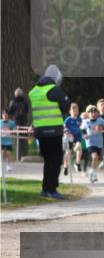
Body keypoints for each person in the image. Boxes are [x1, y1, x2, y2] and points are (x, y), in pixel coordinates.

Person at [28, 65, 70, 199]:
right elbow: (66, 106)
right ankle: (51, 189)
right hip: (53, 131)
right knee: (56, 160)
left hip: (40, 131)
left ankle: (45, 189)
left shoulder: (34, 91)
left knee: (48, 160)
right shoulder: (53, 90)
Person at [80, 104, 104, 183]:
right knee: (94, 157)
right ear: (88, 114)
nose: (93, 114)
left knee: (96, 158)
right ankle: (94, 173)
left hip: (99, 142)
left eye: (95, 112)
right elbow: (82, 129)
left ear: (98, 113)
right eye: (91, 112)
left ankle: (92, 171)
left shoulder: (101, 120)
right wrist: (84, 135)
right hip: (90, 142)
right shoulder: (86, 121)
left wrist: (102, 129)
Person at [62, 103, 83, 177]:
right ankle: (65, 166)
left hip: (77, 137)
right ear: (70, 112)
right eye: (73, 110)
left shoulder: (80, 119)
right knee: (68, 152)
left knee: (79, 147)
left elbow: (83, 126)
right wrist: (66, 131)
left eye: (76, 110)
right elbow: (64, 127)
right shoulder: (68, 119)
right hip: (70, 137)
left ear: (78, 111)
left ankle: (77, 163)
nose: (74, 112)